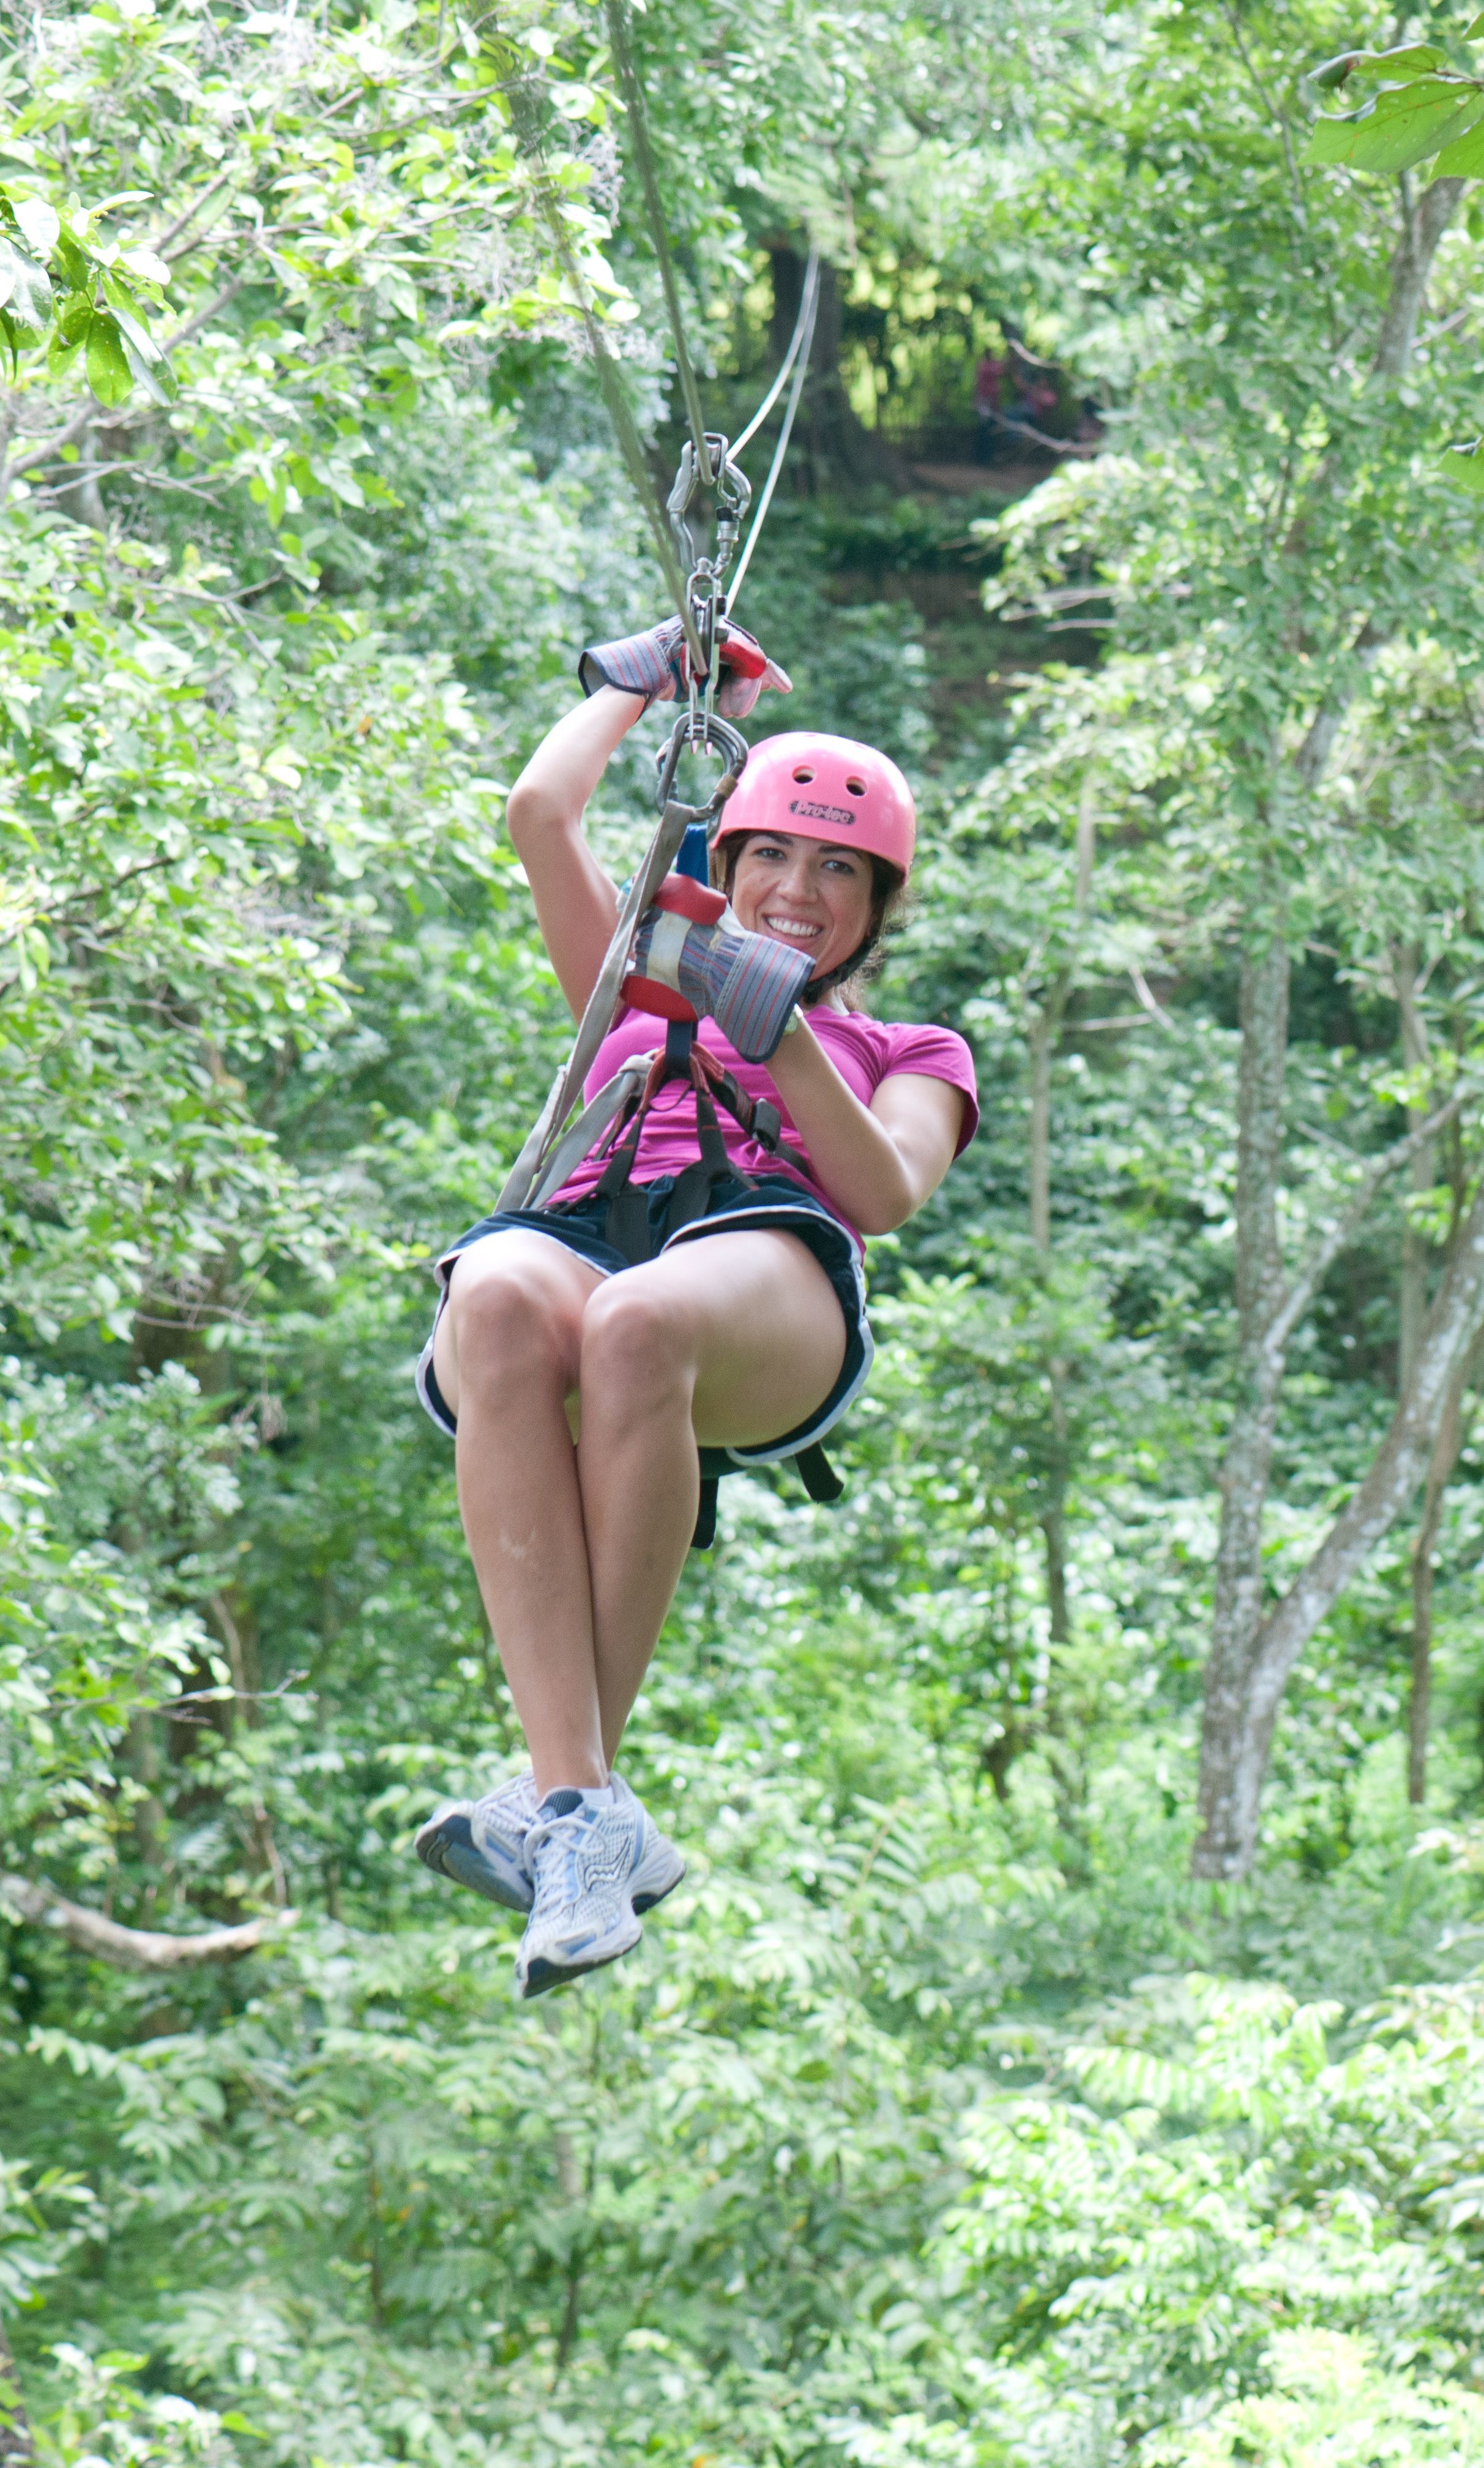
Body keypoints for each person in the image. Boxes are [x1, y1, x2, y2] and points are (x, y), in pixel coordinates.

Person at [408, 621, 976, 1994]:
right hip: (602, 1219)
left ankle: (575, 1815)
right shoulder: (637, 989)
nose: (798, 887)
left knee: (638, 1326)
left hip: (767, 1269)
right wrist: (636, 688)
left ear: (877, 908)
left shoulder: (913, 1049)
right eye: (772, 854)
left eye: (840, 870)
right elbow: (540, 815)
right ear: (722, 864)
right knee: (488, 1295)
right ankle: (580, 1814)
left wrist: (776, 1033)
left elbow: (888, 1187)